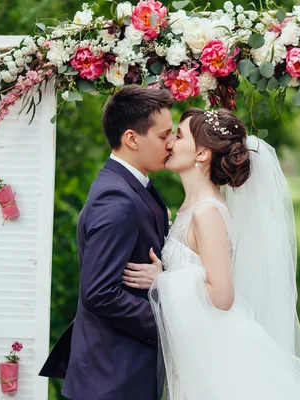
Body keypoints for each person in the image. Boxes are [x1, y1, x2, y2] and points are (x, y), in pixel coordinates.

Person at [123, 108, 300, 400]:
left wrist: (162, 280)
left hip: (215, 354)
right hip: (194, 348)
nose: (170, 142)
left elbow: (222, 296)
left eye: (180, 135)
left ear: (202, 154)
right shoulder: (190, 208)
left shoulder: (207, 212)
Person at [39, 85, 174, 400]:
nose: (171, 143)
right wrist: (170, 326)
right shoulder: (117, 198)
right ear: (131, 138)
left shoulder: (132, 187)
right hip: (113, 378)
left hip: (124, 373)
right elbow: (99, 293)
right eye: (163, 135)